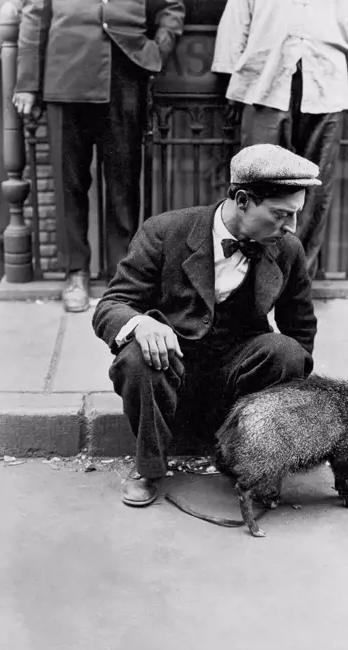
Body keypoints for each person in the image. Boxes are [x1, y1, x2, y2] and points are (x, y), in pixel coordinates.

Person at [92, 143, 319, 507]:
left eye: (294, 215)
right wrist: (139, 324)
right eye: (280, 215)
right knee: (136, 355)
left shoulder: (287, 249)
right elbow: (111, 306)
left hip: (235, 379)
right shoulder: (165, 232)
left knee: (286, 352)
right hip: (170, 372)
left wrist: (291, 405)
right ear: (243, 200)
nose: (290, 227)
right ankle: (149, 467)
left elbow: (301, 326)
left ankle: (253, 461)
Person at [13, 0, 186, 312]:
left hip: (125, 77)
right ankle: (74, 272)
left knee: (124, 181)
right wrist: (27, 83)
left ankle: (123, 277)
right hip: (65, 76)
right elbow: (34, 18)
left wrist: (159, 48)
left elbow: (171, 7)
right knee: (69, 183)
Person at [212, 0, 348, 279]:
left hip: (326, 83)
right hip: (265, 81)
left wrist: (342, 78)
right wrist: (233, 81)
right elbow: (236, 22)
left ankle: (296, 279)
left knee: (315, 187)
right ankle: (245, 278)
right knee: (254, 183)